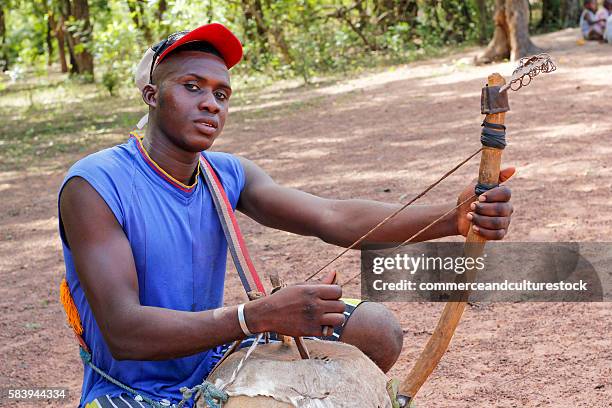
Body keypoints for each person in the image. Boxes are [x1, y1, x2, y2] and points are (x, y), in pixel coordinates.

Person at [58, 23, 515, 407]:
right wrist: (256, 317)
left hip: (212, 354)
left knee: (375, 329)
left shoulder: (225, 174)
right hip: (132, 389)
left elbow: (330, 216)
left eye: (222, 93)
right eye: (192, 87)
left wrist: (452, 219)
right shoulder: (95, 184)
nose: (211, 104)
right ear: (152, 95)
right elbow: (124, 333)